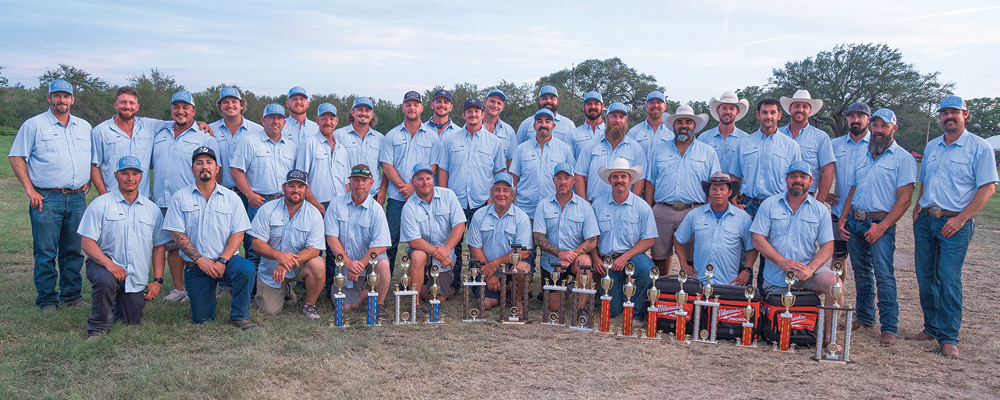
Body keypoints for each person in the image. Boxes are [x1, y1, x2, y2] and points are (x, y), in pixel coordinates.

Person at [907, 96, 999, 358]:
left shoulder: (979, 148)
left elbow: (988, 188)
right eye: (944, 112)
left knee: (949, 279)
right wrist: (917, 211)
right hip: (926, 219)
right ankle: (930, 328)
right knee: (926, 277)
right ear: (939, 117)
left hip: (955, 222)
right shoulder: (933, 146)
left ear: (965, 115)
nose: (949, 116)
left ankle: (949, 337)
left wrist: (960, 219)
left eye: (954, 112)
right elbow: (924, 181)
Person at [8, 79, 92, 312]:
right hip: (46, 198)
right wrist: (29, 188)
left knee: (74, 250)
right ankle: (47, 300)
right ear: (49, 98)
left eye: (66, 96)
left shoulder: (84, 127)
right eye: (57, 96)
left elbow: (90, 158)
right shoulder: (34, 125)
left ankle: (72, 295)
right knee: (45, 251)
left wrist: (87, 180)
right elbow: (16, 157)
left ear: (72, 99)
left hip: (77, 198)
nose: (61, 100)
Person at [837, 108, 916, 346]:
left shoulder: (903, 159)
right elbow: (852, 189)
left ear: (894, 128)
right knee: (861, 272)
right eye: (875, 126)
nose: (878, 130)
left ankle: (889, 327)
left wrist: (882, 227)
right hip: (855, 221)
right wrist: (843, 218)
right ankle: (865, 317)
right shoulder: (864, 154)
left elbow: (904, 199)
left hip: (879, 223)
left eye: (884, 126)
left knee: (883, 274)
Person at [162, 147, 257, 330]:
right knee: (203, 320)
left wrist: (222, 260)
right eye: (199, 163)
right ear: (192, 169)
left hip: (227, 260)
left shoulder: (231, 198)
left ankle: (239, 316)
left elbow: (238, 233)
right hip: (197, 266)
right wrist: (201, 261)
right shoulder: (180, 198)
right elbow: (177, 234)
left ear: (217, 168)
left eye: (209, 162)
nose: (204, 167)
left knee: (246, 269)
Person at [78, 156, 170, 340]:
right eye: (124, 173)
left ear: (142, 176)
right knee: (106, 281)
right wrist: (109, 265)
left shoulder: (151, 210)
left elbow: (159, 245)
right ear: (116, 175)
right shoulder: (101, 204)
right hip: (103, 264)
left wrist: (157, 281)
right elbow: (86, 241)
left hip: (134, 276)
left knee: (131, 321)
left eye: (135, 174)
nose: (130, 178)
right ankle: (98, 329)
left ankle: (115, 302)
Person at [750, 161, 838, 342]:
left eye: (803, 177)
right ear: (786, 180)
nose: (798, 180)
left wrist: (810, 269)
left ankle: (828, 338)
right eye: (793, 176)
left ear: (811, 181)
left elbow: (828, 247)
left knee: (835, 285)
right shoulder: (769, 205)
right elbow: (757, 239)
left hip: (808, 271)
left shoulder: (820, 210)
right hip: (776, 274)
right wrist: (782, 262)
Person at [150, 91, 218, 302]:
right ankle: (179, 289)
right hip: (162, 200)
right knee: (172, 246)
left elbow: (216, 170)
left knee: (196, 243)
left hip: (191, 199)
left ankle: (201, 287)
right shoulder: (160, 134)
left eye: (185, 107)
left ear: (193, 111)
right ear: (171, 109)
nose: (180, 111)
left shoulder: (203, 136)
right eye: (176, 107)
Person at [435, 97, 506, 292]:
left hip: (482, 201)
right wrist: (442, 195)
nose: (473, 114)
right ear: (463, 114)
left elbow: (500, 172)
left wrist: (493, 198)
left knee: (479, 243)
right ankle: (452, 283)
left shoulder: (494, 142)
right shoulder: (450, 139)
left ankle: (478, 283)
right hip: (455, 200)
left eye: (477, 111)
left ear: (482, 114)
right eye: (469, 111)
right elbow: (444, 170)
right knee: (453, 242)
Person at [642, 104, 721, 274]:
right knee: (659, 256)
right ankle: (661, 294)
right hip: (663, 210)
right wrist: (649, 210)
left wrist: (709, 212)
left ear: (694, 126)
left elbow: (712, 185)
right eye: (679, 122)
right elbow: (651, 181)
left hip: (694, 211)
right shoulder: (659, 150)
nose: (684, 125)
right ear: (673, 126)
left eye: (688, 122)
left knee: (693, 258)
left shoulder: (707, 153)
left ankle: (690, 297)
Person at [248, 170, 326, 318]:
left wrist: (285, 262)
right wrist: (279, 256)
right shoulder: (267, 209)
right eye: (291, 186)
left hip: (298, 266)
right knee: (269, 311)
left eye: (300, 186)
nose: (296, 190)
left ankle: (309, 306)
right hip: (272, 270)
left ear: (306, 190)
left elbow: (314, 249)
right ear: (284, 188)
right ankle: (286, 290)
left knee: (318, 264)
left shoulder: (314, 214)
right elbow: (257, 243)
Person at [589, 158, 657, 327]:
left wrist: (625, 257)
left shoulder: (642, 207)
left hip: (633, 256)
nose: (619, 180)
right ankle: (623, 295)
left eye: (623, 177)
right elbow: (590, 237)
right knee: (614, 311)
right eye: (615, 177)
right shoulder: (598, 205)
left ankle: (638, 314)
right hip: (607, 261)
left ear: (630, 180)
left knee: (648, 271)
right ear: (610, 180)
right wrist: (596, 258)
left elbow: (649, 239)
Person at [230, 103, 298, 271]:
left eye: (280, 118)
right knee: (255, 247)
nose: (275, 121)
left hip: (284, 202)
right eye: (271, 117)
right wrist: (249, 195)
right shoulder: (250, 142)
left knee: (284, 244)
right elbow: (236, 170)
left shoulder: (292, 146)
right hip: (259, 203)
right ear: (263, 120)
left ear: (284, 122)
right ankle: (253, 289)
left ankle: (283, 287)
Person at [381, 91, 440, 279]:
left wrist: (414, 187)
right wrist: (403, 187)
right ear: (403, 108)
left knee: (425, 241)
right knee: (390, 241)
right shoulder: (391, 136)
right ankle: (384, 281)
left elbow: (434, 166)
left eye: (416, 104)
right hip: (397, 198)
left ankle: (427, 281)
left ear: (422, 108)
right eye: (408, 104)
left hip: (423, 200)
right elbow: (387, 165)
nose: (412, 108)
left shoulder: (432, 137)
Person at [323, 164, 392, 321]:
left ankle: (379, 304)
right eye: (355, 180)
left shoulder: (376, 209)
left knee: (384, 264)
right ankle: (366, 291)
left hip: (368, 264)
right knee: (345, 307)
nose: (359, 183)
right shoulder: (336, 204)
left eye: (363, 180)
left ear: (371, 183)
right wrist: (348, 263)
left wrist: (358, 265)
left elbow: (381, 245)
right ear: (350, 182)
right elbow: (331, 238)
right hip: (345, 266)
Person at [297, 102, 351, 295]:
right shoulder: (309, 144)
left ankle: (331, 287)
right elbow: (301, 179)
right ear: (317, 120)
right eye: (324, 118)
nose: (328, 121)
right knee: (314, 249)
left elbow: (346, 182)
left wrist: (345, 203)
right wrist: (317, 205)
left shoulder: (342, 149)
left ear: (336, 121)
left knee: (335, 249)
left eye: (331, 118)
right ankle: (310, 288)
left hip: (338, 206)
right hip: (316, 205)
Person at [533, 163, 600, 314]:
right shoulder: (543, 205)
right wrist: (560, 254)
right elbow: (538, 238)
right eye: (559, 178)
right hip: (552, 262)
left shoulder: (585, 207)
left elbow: (592, 240)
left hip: (575, 259)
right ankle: (569, 288)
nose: (563, 182)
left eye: (567, 178)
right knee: (554, 307)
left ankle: (580, 308)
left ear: (574, 180)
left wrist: (569, 256)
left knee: (585, 263)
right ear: (553, 180)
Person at [673, 171, 757, 285]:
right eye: (714, 189)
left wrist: (747, 270)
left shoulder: (743, 218)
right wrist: (683, 264)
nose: (718, 193)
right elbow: (678, 239)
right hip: (700, 282)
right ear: (709, 193)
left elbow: (752, 247)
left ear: (730, 192)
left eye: (722, 189)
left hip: (730, 283)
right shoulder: (695, 215)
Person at [400, 163, 467, 305]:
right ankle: (415, 303)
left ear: (433, 180)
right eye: (420, 179)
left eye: (428, 178)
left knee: (437, 298)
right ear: (412, 182)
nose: (425, 182)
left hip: (445, 251)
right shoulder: (408, 207)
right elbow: (414, 241)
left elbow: (460, 225)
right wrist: (440, 254)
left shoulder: (448, 196)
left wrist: (446, 249)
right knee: (418, 256)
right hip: (423, 250)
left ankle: (411, 284)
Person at [467, 172, 532, 310]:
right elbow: (475, 249)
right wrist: (489, 274)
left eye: (506, 190)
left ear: (512, 195)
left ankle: (517, 300)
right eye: (497, 190)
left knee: (522, 268)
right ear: (491, 193)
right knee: (486, 304)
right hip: (486, 269)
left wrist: (496, 263)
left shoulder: (522, 218)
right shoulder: (479, 215)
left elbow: (524, 253)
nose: (501, 194)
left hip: (510, 269)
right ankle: (501, 290)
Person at [90, 86, 170, 198]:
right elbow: (94, 165)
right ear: (115, 105)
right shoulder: (101, 131)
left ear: (137, 107)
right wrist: (103, 195)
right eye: (123, 102)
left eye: (131, 103)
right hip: (113, 198)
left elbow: (176, 124)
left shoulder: (150, 126)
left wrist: (199, 124)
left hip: (143, 198)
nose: (127, 106)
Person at [729, 98, 802, 218]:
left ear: (779, 115)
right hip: (748, 206)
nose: (768, 116)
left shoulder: (791, 146)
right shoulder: (744, 143)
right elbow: (735, 176)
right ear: (758, 115)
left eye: (772, 112)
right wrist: (734, 204)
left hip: (779, 205)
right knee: (747, 237)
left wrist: (794, 205)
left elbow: (796, 180)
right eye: (764, 112)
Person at [575, 102, 647, 202]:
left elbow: (640, 179)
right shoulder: (591, 146)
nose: (617, 120)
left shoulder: (636, 149)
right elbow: (579, 174)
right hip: (594, 207)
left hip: (624, 207)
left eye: (621, 117)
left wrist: (631, 203)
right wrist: (584, 203)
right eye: (613, 116)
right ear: (606, 118)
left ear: (626, 120)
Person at [829, 102, 872, 267]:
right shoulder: (835, 145)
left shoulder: (877, 145)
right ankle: (837, 293)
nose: (856, 120)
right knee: (838, 260)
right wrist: (824, 194)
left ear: (868, 119)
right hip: (839, 211)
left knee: (864, 263)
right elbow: (821, 170)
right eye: (852, 116)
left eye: (860, 116)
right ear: (847, 119)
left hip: (865, 214)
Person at [778, 90, 836, 203]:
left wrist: (818, 203)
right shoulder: (777, 135)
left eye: (805, 107)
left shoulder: (821, 137)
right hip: (778, 195)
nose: (800, 110)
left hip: (805, 196)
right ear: (790, 109)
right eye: (796, 106)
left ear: (810, 111)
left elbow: (829, 171)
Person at [209, 87, 264, 196]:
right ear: (220, 107)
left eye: (234, 102)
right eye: (225, 102)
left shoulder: (257, 131)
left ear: (241, 105)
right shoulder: (210, 130)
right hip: (221, 191)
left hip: (250, 194)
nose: (230, 105)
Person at [334, 97, 386, 202]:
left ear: (372, 115)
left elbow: (386, 168)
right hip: (345, 195)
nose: (363, 113)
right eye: (360, 109)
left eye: (367, 110)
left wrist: (383, 190)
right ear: (353, 112)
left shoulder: (380, 139)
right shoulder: (338, 135)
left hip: (372, 196)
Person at [698, 91, 750, 175]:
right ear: (718, 111)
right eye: (724, 108)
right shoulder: (704, 138)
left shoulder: (746, 140)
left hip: (736, 187)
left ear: (737, 112)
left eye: (732, 108)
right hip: (710, 186)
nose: (728, 112)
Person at [482, 88, 518, 168]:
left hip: (500, 179)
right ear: (485, 102)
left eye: (499, 103)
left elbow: (511, 161)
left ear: (502, 107)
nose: (495, 106)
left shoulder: (509, 131)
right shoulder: (473, 127)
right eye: (492, 101)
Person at [564, 91, 606, 159]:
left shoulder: (611, 133)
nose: (593, 107)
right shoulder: (572, 135)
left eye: (596, 104)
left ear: (602, 107)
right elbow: (568, 163)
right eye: (589, 104)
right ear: (583, 107)